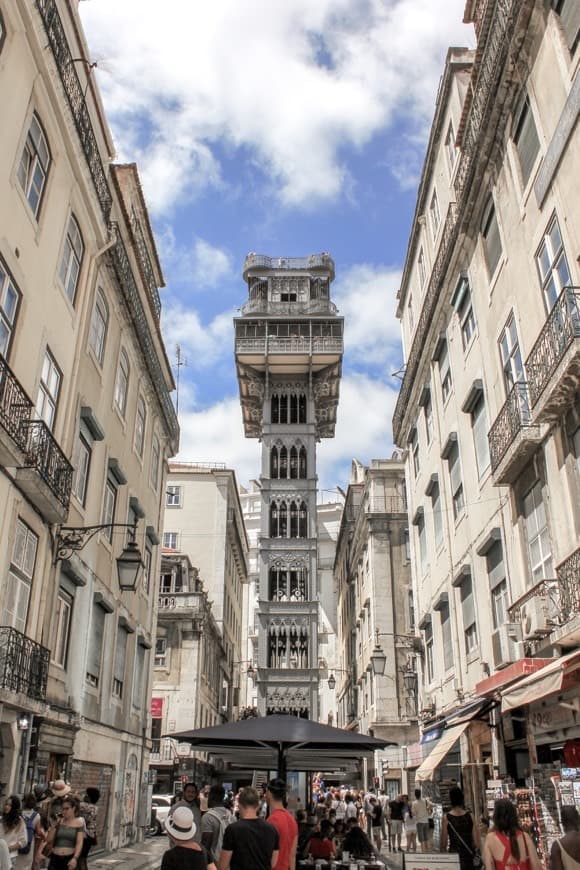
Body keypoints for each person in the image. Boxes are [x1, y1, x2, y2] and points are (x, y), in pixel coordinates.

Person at [218, 786, 279, 870]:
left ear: (239, 804)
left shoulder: (232, 829)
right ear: (258, 805)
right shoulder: (272, 829)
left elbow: (223, 866)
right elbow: (273, 863)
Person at [484, 798, 541, 870]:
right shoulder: (524, 837)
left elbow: (489, 866)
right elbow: (537, 866)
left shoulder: (490, 839)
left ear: (496, 817)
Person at [440, 786, 480, 870]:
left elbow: (443, 844)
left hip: (454, 859)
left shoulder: (446, 818)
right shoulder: (470, 816)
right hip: (469, 858)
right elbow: (476, 843)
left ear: (451, 800)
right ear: (462, 799)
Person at [43, 794, 84, 870]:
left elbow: (79, 842)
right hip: (55, 858)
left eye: (67, 809)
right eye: (63, 809)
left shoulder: (79, 823)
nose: (64, 811)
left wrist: (75, 858)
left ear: (73, 808)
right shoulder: (58, 822)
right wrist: (54, 825)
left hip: (69, 859)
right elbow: (48, 839)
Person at [265, 779, 298, 870]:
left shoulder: (271, 820)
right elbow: (292, 856)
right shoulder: (292, 820)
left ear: (269, 793)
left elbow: (268, 855)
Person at [201, 785, 233, 865]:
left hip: (214, 862)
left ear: (212, 797)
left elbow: (206, 845)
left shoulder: (208, 817)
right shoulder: (231, 817)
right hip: (229, 861)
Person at [14, 793, 42, 870]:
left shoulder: (18, 813)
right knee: (26, 866)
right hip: (28, 846)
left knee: (15, 865)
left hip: (17, 843)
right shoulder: (36, 815)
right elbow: (39, 832)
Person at [77, 788, 100, 870]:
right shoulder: (93, 807)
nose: (84, 796)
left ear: (90, 797)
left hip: (86, 836)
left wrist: (75, 795)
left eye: (86, 795)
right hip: (89, 836)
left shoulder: (89, 807)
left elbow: (78, 803)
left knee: (81, 859)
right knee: (83, 859)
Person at [0, 796, 27, 864]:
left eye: (10, 805)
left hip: (10, 857)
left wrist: (7, 849)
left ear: (14, 807)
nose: (6, 807)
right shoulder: (1, 819)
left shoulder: (20, 822)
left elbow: (23, 841)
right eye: (6, 804)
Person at [412, 789, 430, 854]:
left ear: (415, 795)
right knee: (426, 838)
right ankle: (427, 852)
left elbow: (413, 813)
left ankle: (423, 853)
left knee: (421, 839)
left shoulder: (414, 803)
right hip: (426, 821)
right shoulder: (425, 801)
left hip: (419, 822)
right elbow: (429, 807)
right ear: (420, 793)